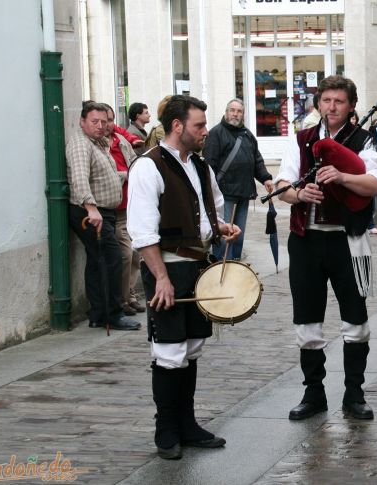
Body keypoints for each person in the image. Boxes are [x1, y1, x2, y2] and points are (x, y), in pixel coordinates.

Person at [127, 95, 241, 460]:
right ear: (178, 126)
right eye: (199, 126)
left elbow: (208, 211)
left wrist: (221, 227)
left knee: (191, 346)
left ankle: (187, 424)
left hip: (198, 265)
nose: (205, 131)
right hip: (168, 267)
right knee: (169, 349)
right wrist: (160, 277)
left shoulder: (201, 166)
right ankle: (166, 430)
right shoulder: (148, 167)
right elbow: (142, 232)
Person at [274, 75, 377, 421]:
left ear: (351, 105)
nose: (332, 107)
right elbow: (281, 184)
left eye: (339, 101)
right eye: (326, 101)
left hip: (347, 240)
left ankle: (354, 394)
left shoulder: (364, 141)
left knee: (356, 321)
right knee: (306, 322)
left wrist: (342, 177)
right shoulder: (302, 140)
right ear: (318, 104)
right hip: (306, 239)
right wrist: (298, 194)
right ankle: (314, 393)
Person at [66, 101, 141, 331]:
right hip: (92, 212)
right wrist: (91, 208)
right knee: (111, 259)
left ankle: (98, 313)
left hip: (104, 211)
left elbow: (103, 175)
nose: (100, 126)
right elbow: (79, 179)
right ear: (82, 122)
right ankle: (113, 315)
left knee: (98, 262)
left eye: (103, 121)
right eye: (94, 122)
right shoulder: (81, 144)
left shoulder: (97, 143)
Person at [202, 99, 274, 261]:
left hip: (243, 192)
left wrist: (266, 178)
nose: (235, 113)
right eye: (232, 110)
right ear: (226, 112)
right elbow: (209, 165)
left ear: (243, 114)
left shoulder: (247, 134)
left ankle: (235, 264)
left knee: (239, 234)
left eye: (239, 111)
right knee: (225, 232)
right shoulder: (216, 133)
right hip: (224, 194)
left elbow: (256, 160)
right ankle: (220, 264)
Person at [102, 103, 145, 316]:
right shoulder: (100, 146)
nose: (108, 124)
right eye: (104, 120)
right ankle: (122, 299)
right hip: (114, 210)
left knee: (136, 254)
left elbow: (134, 164)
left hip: (130, 206)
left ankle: (130, 294)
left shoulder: (120, 141)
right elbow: (109, 174)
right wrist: (124, 175)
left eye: (110, 120)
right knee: (126, 254)